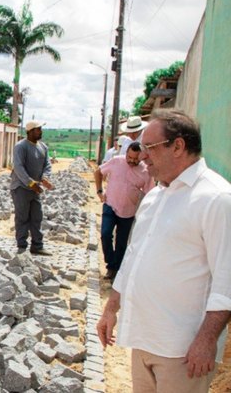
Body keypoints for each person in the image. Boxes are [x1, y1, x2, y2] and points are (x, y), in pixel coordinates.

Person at [97, 109, 231, 393]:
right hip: (143, 338)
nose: (142, 156)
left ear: (178, 146)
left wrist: (207, 341)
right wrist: (111, 309)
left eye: (150, 148)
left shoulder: (217, 199)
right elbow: (134, 257)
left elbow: (226, 279)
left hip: (183, 351)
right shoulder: (155, 196)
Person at [94, 142, 154, 280]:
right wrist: (99, 191)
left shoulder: (146, 171)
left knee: (122, 242)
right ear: (126, 153)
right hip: (110, 205)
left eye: (136, 159)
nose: (132, 161)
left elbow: (149, 194)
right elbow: (98, 171)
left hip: (129, 211)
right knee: (105, 234)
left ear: (141, 157)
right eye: (130, 157)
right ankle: (110, 264)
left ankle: (116, 270)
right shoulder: (116, 161)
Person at [10, 120, 53, 255]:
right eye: (38, 129)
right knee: (22, 217)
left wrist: (45, 177)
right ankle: (22, 246)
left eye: (40, 129)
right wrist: (30, 183)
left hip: (35, 188)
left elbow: (47, 165)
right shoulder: (21, 146)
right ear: (30, 131)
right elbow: (18, 167)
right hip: (21, 187)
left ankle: (37, 246)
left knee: (36, 216)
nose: (41, 131)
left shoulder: (43, 147)